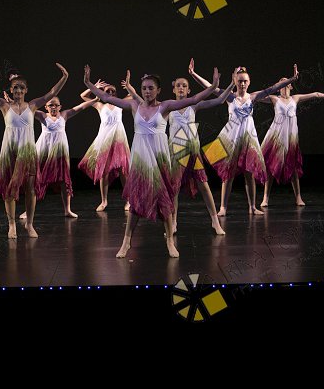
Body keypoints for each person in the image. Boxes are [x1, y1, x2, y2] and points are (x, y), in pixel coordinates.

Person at [84, 65, 219, 259]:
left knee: (165, 200)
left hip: (159, 159)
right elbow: (106, 97)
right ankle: (126, 242)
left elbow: (194, 99)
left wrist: (213, 86)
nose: (147, 91)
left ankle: (170, 241)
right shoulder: (134, 106)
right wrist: (88, 83)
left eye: (151, 88)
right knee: (135, 203)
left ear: (158, 90)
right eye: (144, 88)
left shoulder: (165, 107)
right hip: (141, 160)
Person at [190, 60, 298, 215]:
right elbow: (209, 86)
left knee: (249, 173)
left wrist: (292, 79)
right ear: (235, 81)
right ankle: (223, 207)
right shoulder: (230, 97)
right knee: (228, 175)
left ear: (249, 82)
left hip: (248, 138)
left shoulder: (253, 97)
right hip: (231, 138)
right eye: (240, 81)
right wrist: (193, 73)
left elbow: (274, 87)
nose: (242, 84)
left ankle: (252, 207)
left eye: (245, 81)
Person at [0, 58, 69, 238]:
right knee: (9, 188)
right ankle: (11, 224)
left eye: (21, 87)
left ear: (26, 90)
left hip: (27, 152)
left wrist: (64, 76)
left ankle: (30, 224)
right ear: (11, 90)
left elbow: (52, 92)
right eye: (15, 88)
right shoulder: (5, 106)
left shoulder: (32, 105)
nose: (18, 90)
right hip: (10, 151)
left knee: (30, 188)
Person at [166, 71, 235, 235]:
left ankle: (215, 222)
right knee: (174, 188)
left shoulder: (193, 106)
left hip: (192, 151)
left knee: (203, 185)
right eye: (178, 86)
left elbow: (219, 100)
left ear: (189, 90)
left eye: (184, 86)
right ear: (173, 90)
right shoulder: (168, 107)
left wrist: (232, 84)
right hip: (176, 152)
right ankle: (173, 222)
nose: (181, 88)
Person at [259, 81, 324, 207]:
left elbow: (315, 94)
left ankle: (298, 197)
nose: (283, 84)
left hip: (290, 137)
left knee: (294, 167)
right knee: (271, 167)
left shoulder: (295, 98)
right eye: (280, 83)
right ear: (278, 87)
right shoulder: (274, 99)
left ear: (290, 86)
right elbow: (257, 97)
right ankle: (265, 198)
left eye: (286, 82)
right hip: (277, 136)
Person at [16, 95, 96, 219]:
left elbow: (80, 107)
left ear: (60, 107)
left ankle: (67, 210)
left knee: (64, 180)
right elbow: (26, 109)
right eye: (51, 105)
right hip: (44, 151)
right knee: (35, 180)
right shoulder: (42, 115)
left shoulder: (64, 115)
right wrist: (14, 102)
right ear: (46, 107)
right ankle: (28, 211)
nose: (53, 107)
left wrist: (95, 100)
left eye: (56, 105)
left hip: (60, 152)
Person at [77, 80, 131, 212]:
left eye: (113, 91)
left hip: (118, 139)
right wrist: (94, 87)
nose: (110, 92)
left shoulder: (120, 104)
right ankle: (104, 201)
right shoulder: (100, 105)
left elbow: (134, 96)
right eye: (107, 91)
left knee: (123, 170)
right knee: (104, 171)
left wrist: (128, 87)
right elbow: (83, 96)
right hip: (105, 140)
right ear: (103, 93)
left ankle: (128, 201)